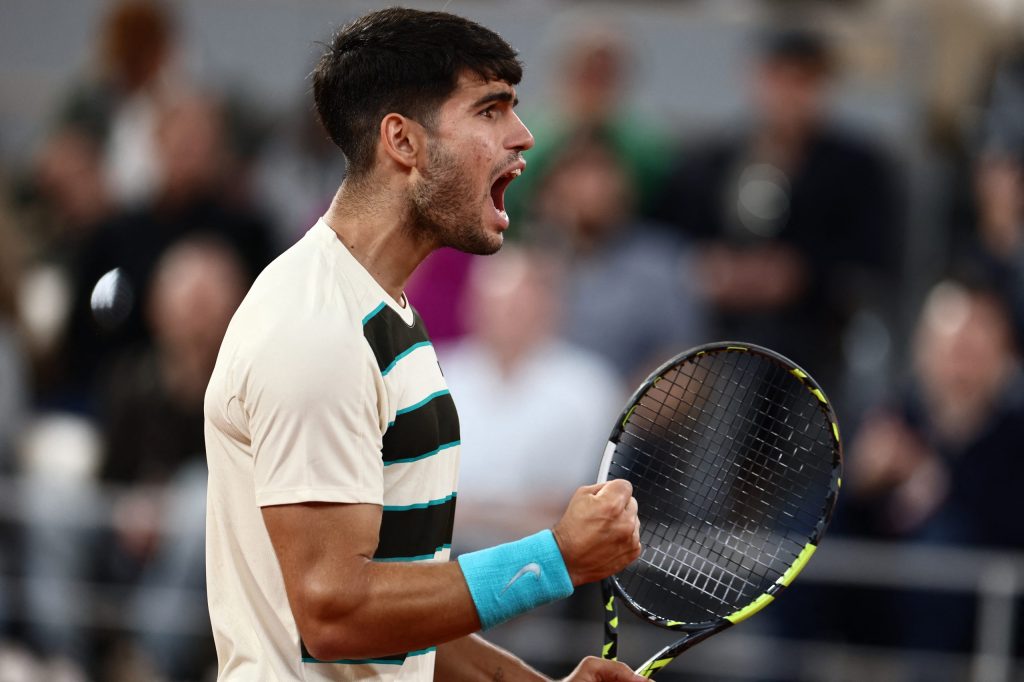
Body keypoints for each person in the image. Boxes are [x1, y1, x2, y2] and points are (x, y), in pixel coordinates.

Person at [204, 9, 643, 682]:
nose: (524, 138)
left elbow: (400, 613)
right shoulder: (315, 331)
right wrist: (552, 560)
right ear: (403, 142)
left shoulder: (383, 310)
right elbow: (336, 613)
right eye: (491, 111)